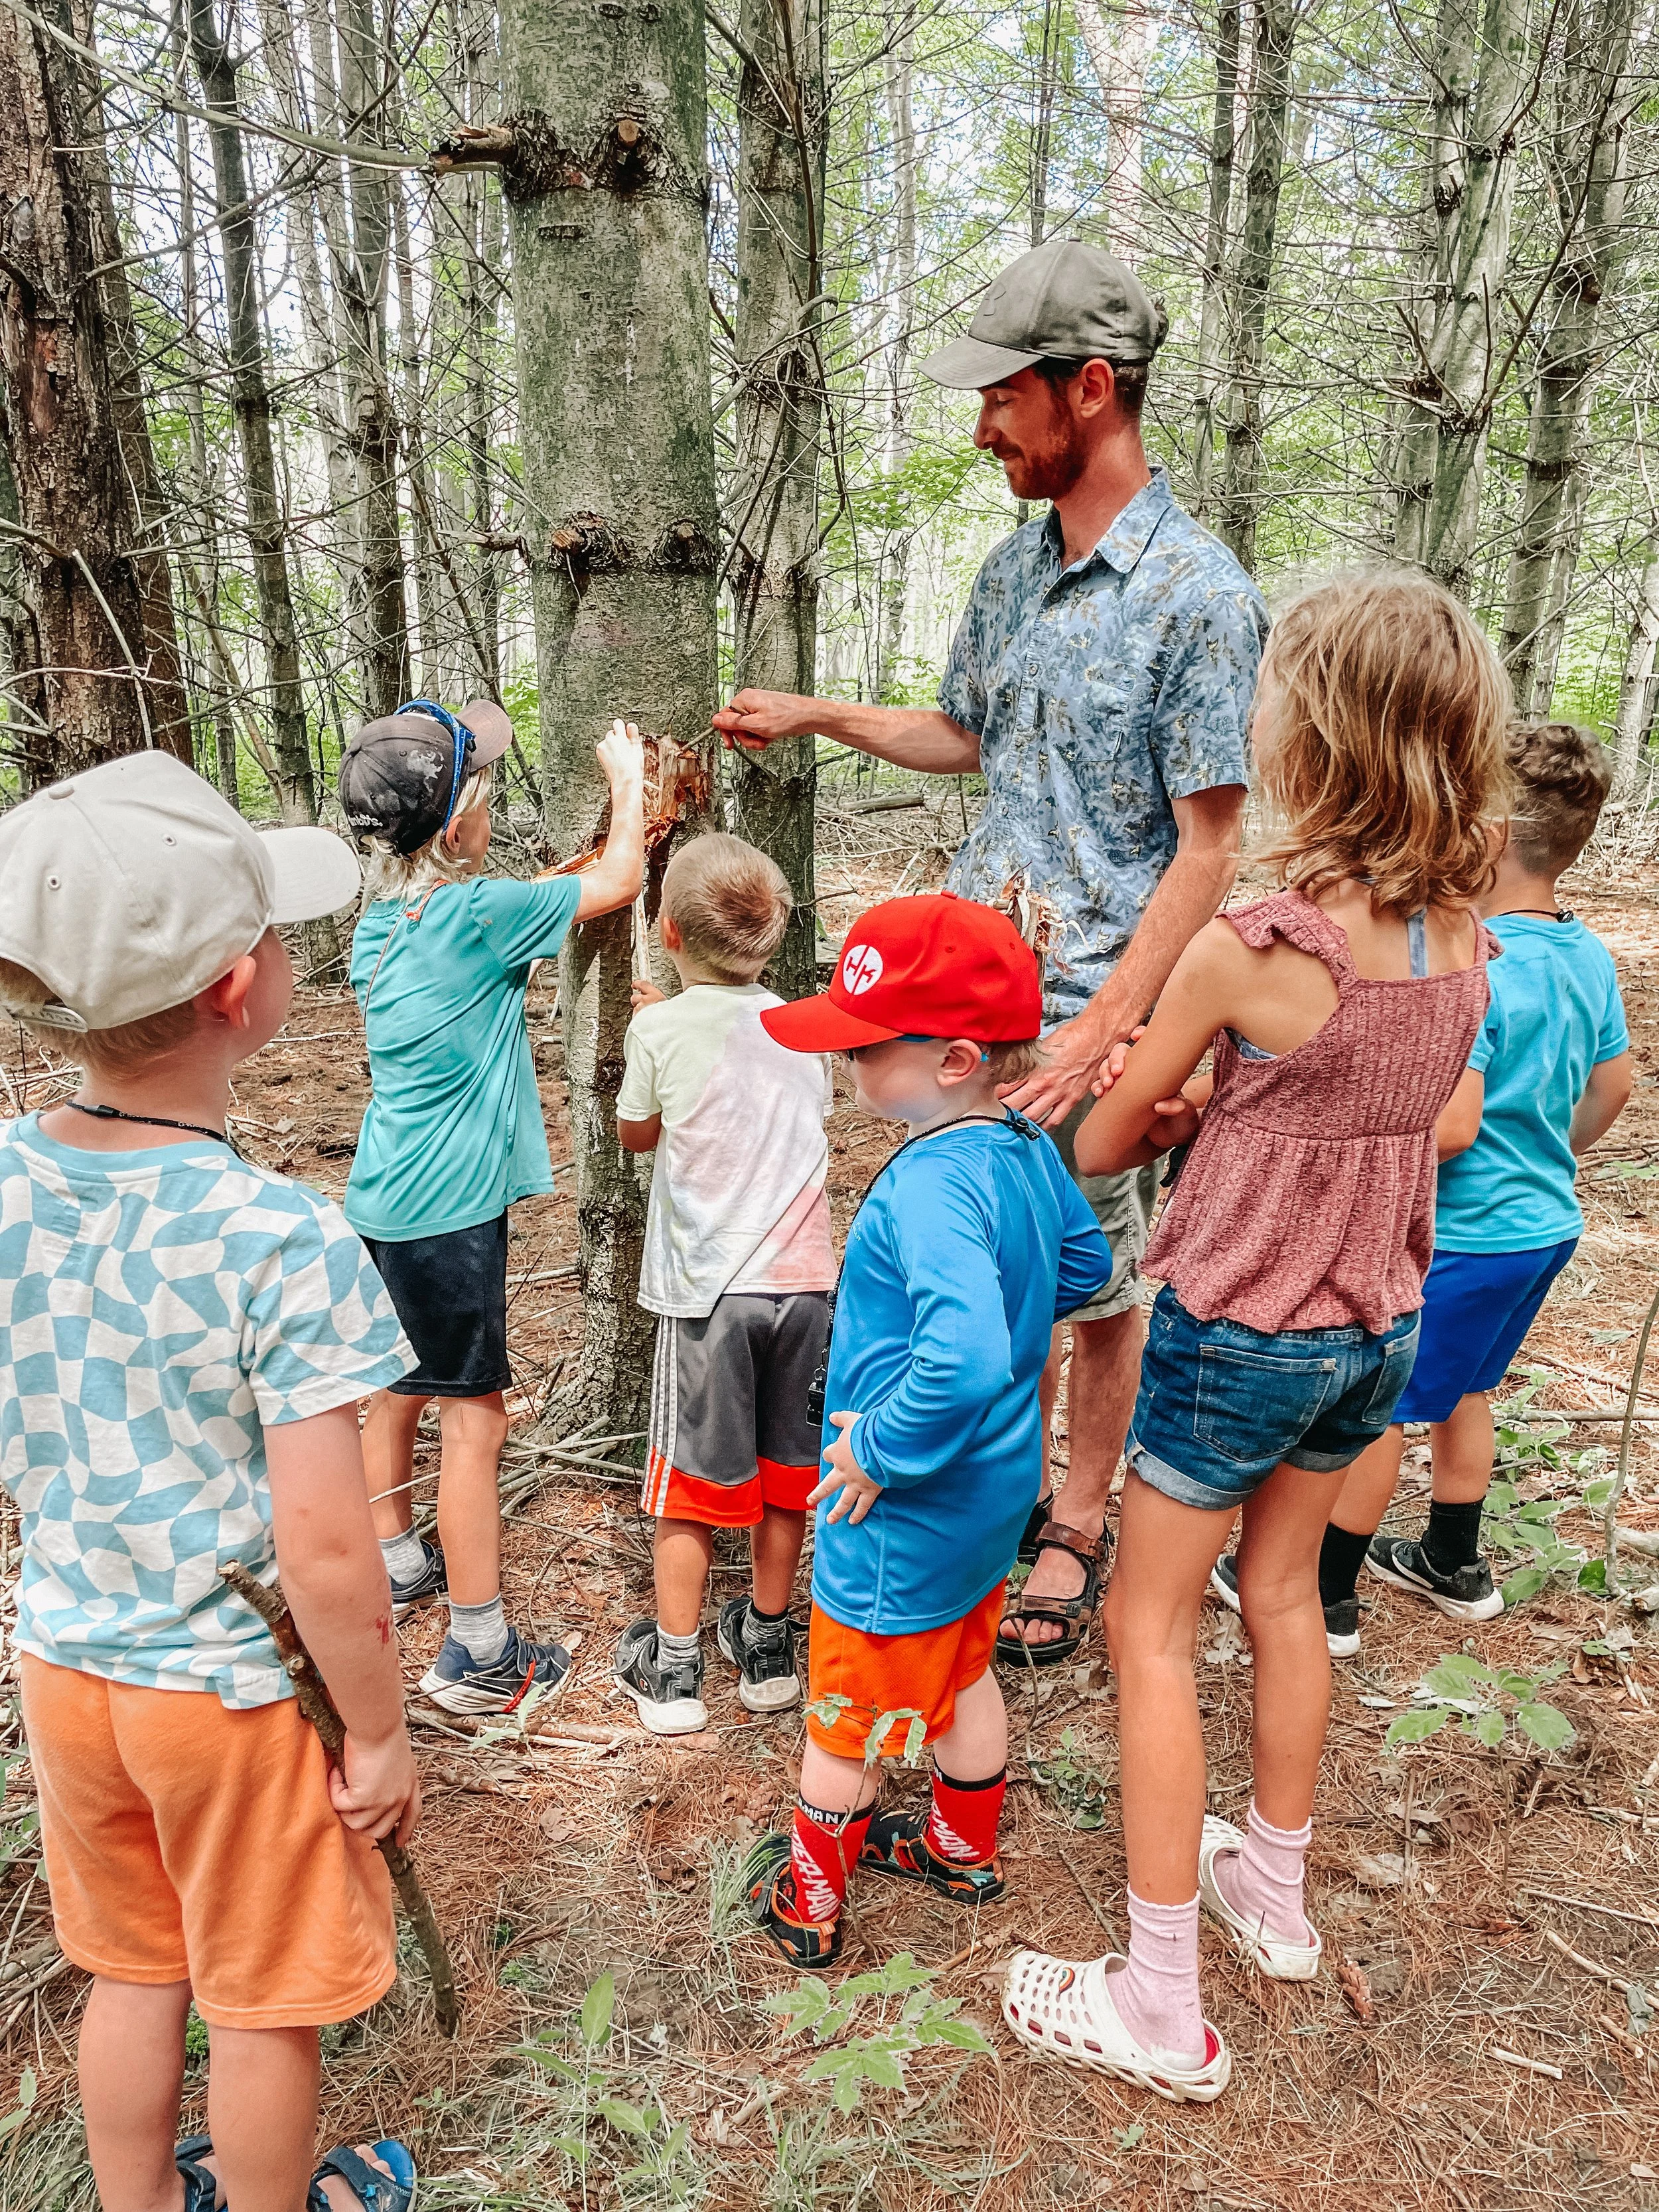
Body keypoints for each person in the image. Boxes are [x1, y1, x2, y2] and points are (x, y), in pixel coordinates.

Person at [714, 237, 1266, 1666]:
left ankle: (1073, 1522)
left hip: (1100, 1009)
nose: (979, 429)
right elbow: (961, 738)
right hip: (974, 1000)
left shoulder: (1198, 595)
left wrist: (1117, 1030)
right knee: (980, 1268)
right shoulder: (1012, 571)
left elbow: (1210, 846)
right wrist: (822, 715)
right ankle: (983, 1489)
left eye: (999, 400)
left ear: (1088, 391)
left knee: (1096, 1284)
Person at [1001, 571, 1510, 2100]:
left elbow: (1100, 1141)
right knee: (1281, 1596)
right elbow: (1413, 1110)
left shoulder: (1252, 946)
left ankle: (1160, 1999)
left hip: (1237, 1335)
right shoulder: (1460, 938)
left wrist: (1171, 1097)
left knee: (1145, 1628)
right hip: (1373, 1328)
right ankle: (1272, 1898)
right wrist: (1248, 1101)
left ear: (1316, 737)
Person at [0, 753, 423, 2212]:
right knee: (257, 1995)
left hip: (64, 1665)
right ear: (243, 989)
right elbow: (323, 1546)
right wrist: (374, 1730)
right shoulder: (281, 1239)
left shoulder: (2, 1181)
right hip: (228, 1697)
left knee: (130, 1965)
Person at [739, 893, 1114, 1969]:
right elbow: (1082, 1269)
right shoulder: (1020, 1142)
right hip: (995, 1488)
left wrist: (882, 1447)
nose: (847, 1060)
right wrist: (1007, 1308)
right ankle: (960, 1847)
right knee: (959, 1666)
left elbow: (961, 1358)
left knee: (847, 1703)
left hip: (902, 1501)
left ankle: (809, 1903)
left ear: (952, 1057)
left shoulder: (928, 1189)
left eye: (865, 1044)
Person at [1214, 721, 1629, 1649]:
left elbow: (1452, 1127)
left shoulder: (1479, 962)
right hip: (1540, 1224)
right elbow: (1612, 1087)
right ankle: (1454, 1559)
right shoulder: (1586, 955)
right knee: (1465, 1388)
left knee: (1388, 1410)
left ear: (1480, 835)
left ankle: (1327, 1595)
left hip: (1467, 1233)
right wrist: (1546, 1154)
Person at [337, 700, 646, 1716]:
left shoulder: (382, 925)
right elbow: (619, 882)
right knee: (476, 1424)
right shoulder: (477, 913)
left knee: (399, 1383)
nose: (493, 804)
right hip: (447, 1213)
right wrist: (630, 779)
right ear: (459, 821)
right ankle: (479, 1653)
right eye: (483, 793)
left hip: (384, 1195)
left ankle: (396, 1557)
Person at [611, 833, 835, 1734]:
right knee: (789, 1476)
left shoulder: (657, 1025)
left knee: (689, 1486)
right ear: (773, 938)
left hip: (711, 1293)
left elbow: (636, 1136)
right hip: (808, 1288)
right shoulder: (805, 1025)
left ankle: (671, 1671)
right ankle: (770, 1644)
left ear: (666, 931)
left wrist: (658, 1027)